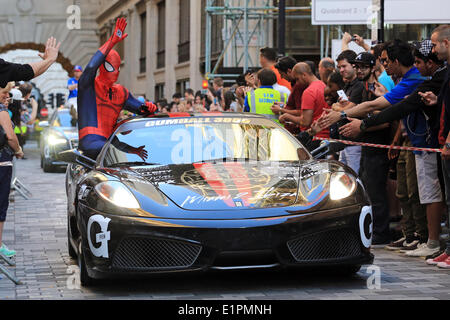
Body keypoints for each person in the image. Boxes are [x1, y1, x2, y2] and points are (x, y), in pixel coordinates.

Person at [77, 18, 157, 160]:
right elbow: (90, 67)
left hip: (108, 144)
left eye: (118, 67)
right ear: (102, 66)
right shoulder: (88, 86)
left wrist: (150, 109)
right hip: (90, 142)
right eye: (111, 67)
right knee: (110, 151)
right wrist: (112, 41)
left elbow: (142, 111)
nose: (115, 72)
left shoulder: (121, 92)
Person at [420, 25, 450, 268]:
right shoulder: (447, 70)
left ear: (447, 43)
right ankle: (448, 248)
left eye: (435, 44)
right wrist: (437, 100)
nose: (433, 49)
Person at [0, 82, 24, 258]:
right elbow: (11, 137)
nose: (7, 97)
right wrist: (18, 150)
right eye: (4, 93)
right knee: (1, 206)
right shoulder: (2, 112)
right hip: (2, 161)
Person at [278, 63, 330, 141]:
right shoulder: (322, 85)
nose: (297, 83)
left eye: (297, 79)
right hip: (326, 135)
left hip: (314, 137)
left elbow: (305, 121)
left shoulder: (309, 92)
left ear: (304, 75)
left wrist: (286, 116)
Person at [334, 50, 364, 174]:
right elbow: (335, 106)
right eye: (339, 67)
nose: (341, 70)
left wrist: (339, 109)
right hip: (344, 142)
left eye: (344, 66)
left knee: (353, 179)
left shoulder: (359, 85)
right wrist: (339, 108)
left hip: (355, 143)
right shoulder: (347, 85)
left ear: (353, 65)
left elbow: (350, 109)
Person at [273, 56, 305, 135]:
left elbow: (300, 111)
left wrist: (281, 110)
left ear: (289, 71)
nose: (281, 77)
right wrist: (284, 106)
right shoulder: (296, 85)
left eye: (281, 74)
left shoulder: (299, 87)